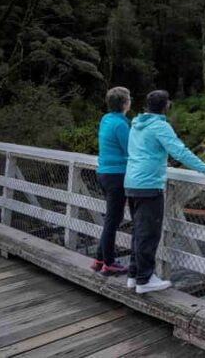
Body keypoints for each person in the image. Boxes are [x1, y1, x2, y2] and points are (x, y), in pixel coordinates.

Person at [124, 90, 205, 294]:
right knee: (149, 233)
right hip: (149, 185)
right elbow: (179, 151)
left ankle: (134, 275)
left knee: (139, 230)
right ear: (166, 106)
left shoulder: (136, 125)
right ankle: (145, 279)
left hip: (131, 182)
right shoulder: (160, 126)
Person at [91, 87, 131, 276]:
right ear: (125, 103)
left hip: (104, 173)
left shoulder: (106, 120)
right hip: (117, 176)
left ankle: (100, 258)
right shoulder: (121, 125)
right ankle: (109, 263)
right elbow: (129, 150)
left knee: (111, 218)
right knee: (113, 220)